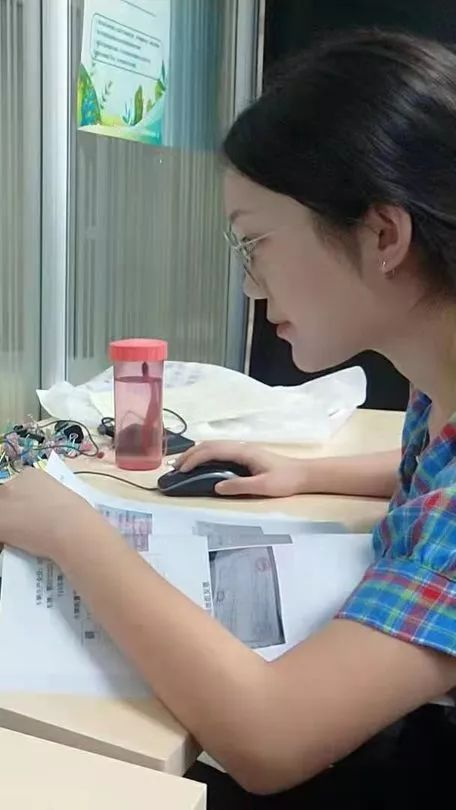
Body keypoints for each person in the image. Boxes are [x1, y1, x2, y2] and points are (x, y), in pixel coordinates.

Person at [1, 28, 456, 807]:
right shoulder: (437, 377)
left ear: (384, 234)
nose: (250, 284)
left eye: (256, 244)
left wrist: (75, 534)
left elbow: (272, 740)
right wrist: (307, 474)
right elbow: (429, 470)